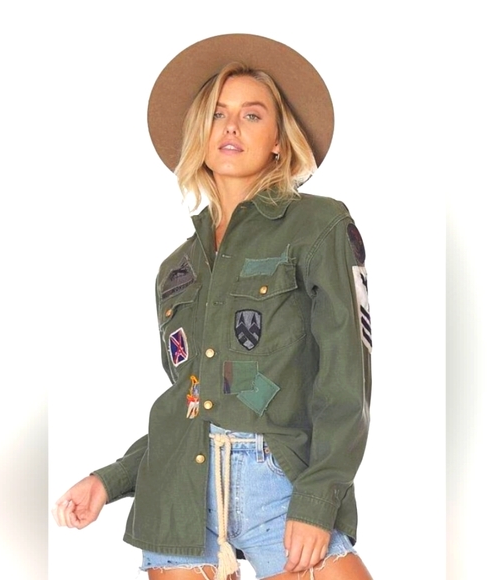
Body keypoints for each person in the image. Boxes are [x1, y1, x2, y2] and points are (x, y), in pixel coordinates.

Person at [52, 33, 373, 580]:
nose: (230, 127)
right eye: (218, 114)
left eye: (252, 115)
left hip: (281, 485)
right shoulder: (176, 269)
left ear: (279, 140)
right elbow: (192, 401)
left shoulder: (319, 226)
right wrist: (110, 480)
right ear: (199, 135)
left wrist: (319, 498)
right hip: (177, 498)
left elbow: (346, 381)